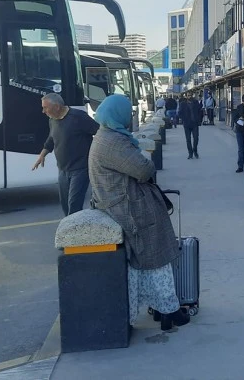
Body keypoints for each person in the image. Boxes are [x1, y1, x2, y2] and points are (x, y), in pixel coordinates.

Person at [88, 94, 190, 330]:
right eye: (127, 113)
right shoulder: (113, 142)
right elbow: (144, 170)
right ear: (118, 115)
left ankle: (163, 308)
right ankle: (169, 310)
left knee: (147, 259)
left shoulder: (106, 136)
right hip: (130, 208)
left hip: (119, 202)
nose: (130, 117)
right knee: (158, 255)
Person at [33, 93, 99, 217]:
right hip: (63, 169)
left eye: (45, 107)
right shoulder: (52, 119)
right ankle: (70, 230)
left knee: (74, 204)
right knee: (65, 204)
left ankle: (75, 232)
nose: (43, 111)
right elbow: (51, 139)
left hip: (80, 169)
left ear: (57, 106)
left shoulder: (78, 117)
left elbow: (99, 132)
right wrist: (42, 155)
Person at [180, 94, 202, 159]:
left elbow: (199, 111)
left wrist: (199, 120)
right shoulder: (182, 104)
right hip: (186, 124)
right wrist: (183, 119)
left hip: (194, 123)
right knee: (188, 139)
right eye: (188, 95)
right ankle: (190, 153)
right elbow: (180, 112)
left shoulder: (195, 102)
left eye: (190, 95)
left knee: (196, 138)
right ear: (186, 96)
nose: (189, 96)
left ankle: (195, 150)